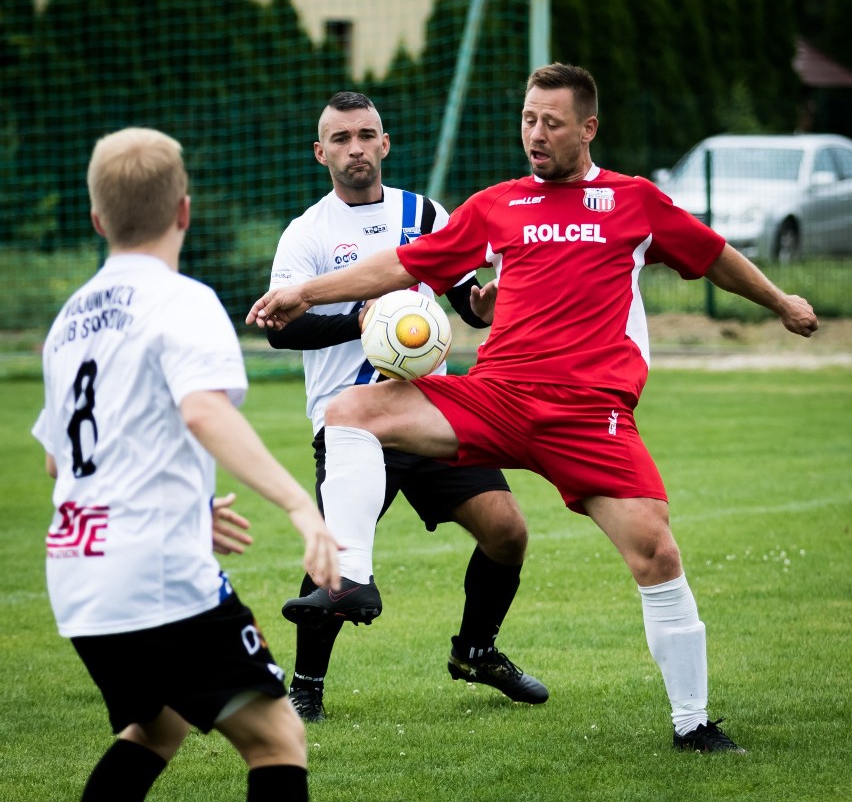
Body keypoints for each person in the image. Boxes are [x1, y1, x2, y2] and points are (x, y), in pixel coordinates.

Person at [248, 64, 820, 754]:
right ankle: (354, 583)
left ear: (588, 127)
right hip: (497, 396)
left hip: (589, 414)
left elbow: (714, 255)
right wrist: (307, 293)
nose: (535, 134)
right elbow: (406, 266)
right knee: (349, 411)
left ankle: (692, 722)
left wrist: (781, 302)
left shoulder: (633, 201)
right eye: (527, 120)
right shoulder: (496, 205)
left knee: (656, 554)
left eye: (550, 122)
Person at [33, 127, 340, 802]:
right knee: (278, 739)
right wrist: (299, 505)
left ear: (96, 219)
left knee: (158, 727)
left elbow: (64, 466)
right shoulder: (183, 300)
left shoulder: (68, 321)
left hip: (80, 577)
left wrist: (182, 507)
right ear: (184, 211)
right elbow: (203, 410)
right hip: (155, 575)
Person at [265, 91, 548, 722]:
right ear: (321, 153)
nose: (356, 147)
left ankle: (477, 651)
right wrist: (362, 318)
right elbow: (281, 328)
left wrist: (486, 302)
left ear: (385, 144)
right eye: (341, 139)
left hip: (433, 413)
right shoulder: (307, 233)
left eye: (367, 135)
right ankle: (305, 687)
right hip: (352, 421)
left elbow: (463, 298)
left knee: (508, 532)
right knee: (338, 557)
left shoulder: (424, 212)